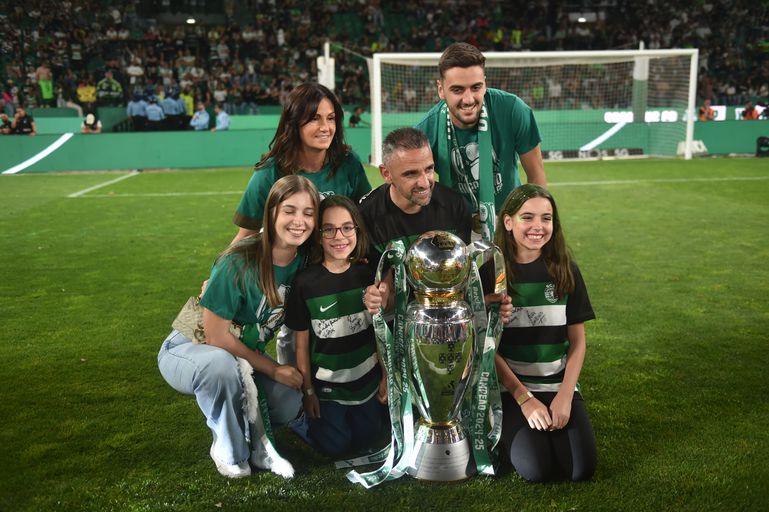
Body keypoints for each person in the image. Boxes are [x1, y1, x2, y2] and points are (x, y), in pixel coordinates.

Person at [158, 175, 320, 479]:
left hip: (242, 357)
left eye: (308, 213)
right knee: (220, 368)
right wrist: (273, 369)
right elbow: (216, 337)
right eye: (289, 210)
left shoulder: (307, 262)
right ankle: (229, 446)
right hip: (190, 347)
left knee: (288, 401)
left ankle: (244, 419)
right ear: (271, 212)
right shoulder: (239, 259)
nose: (299, 221)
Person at [230, 82, 371, 366]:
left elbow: (363, 216)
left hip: (339, 278)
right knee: (296, 352)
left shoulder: (347, 162)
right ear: (295, 122)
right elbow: (246, 234)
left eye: (331, 118)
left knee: (346, 352)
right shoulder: (271, 172)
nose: (325, 127)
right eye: (315, 118)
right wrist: (219, 274)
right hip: (293, 283)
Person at [490, 183, 596, 483]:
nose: (538, 226)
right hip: (513, 390)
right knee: (538, 470)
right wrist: (524, 399)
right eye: (528, 217)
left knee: (580, 471)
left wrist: (564, 396)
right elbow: (489, 349)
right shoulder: (493, 274)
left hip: (558, 385)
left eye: (546, 218)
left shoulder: (565, 270)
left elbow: (578, 342)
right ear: (508, 222)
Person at [284, 195, 388, 456]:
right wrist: (309, 392)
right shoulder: (305, 283)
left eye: (347, 227)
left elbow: (378, 331)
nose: (339, 236)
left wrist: (385, 375)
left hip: (367, 384)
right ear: (318, 235)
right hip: (329, 389)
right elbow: (302, 345)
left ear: (357, 230)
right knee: (335, 448)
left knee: (370, 440)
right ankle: (300, 420)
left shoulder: (368, 273)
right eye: (328, 229)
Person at [415, 42, 547, 239]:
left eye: (476, 87)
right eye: (458, 90)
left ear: (485, 83)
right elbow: (417, 192)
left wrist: (534, 225)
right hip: (454, 225)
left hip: (509, 220)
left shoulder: (512, 110)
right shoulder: (426, 130)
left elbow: (536, 177)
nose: (469, 99)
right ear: (441, 89)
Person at [359, 127, 471, 312]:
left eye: (429, 169)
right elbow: (376, 289)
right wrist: (376, 296)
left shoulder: (455, 207)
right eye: (411, 174)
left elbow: (460, 276)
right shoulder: (366, 217)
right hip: (396, 319)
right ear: (386, 174)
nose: (425, 182)